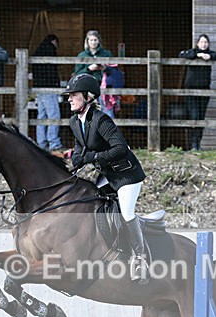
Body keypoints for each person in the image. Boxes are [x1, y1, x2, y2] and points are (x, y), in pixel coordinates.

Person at [62, 73, 148, 283]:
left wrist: (93, 157)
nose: (69, 99)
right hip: (109, 175)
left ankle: (141, 258)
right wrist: (76, 160)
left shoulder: (101, 120)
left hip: (127, 174)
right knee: (96, 205)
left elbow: (120, 148)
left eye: (73, 95)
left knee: (127, 213)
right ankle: (112, 250)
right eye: (69, 96)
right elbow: (80, 147)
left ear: (88, 96)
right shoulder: (75, 121)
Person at [179, 34, 216, 150]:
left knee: (200, 118)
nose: (204, 44)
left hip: (204, 90)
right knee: (193, 116)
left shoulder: (210, 54)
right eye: (201, 42)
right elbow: (182, 54)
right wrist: (197, 55)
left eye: (206, 42)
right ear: (197, 43)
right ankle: (192, 144)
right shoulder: (193, 52)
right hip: (191, 90)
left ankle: (197, 144)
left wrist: (209, 56)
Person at [73, 30, 116, 118]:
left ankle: (109, 131)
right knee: (89, 114)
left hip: (104, 87)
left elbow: (114, 70)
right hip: (88, 89)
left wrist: (104, 68)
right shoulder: (82, 55)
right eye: (91, 40)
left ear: (99, 41)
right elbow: (77, 74)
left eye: (95, 40)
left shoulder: (106, 54)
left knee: (108, 113)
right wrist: (89, 68)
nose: (93, 42)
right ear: (87, 41)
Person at [32, 34, 63, 152]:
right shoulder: (50, 50)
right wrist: (56, 83)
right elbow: (52, 70)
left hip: (38, 88)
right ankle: (54, 142)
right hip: (49, 87)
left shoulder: (38, 50)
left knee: (42, 115)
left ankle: (41, 142)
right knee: (54, 115)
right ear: (54, 41)